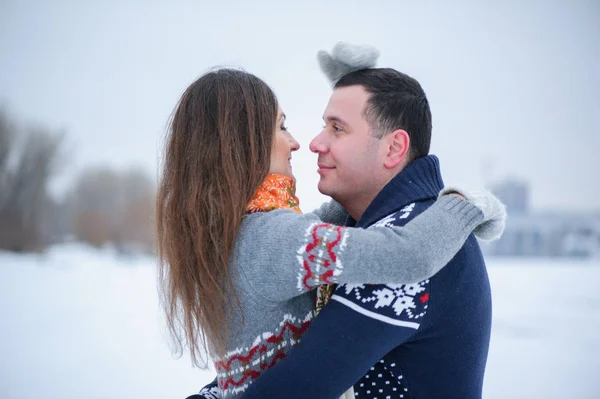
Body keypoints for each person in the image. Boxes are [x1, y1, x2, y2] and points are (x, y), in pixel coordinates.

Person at [156, 68, 504, 399]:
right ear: (240, 145)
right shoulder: (273, 235)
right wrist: (465, 204)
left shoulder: (246, 230)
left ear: (395, 147)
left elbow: (279, 377)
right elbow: (405, 253)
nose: (305, 143)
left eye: (337, 128)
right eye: (281, 128)